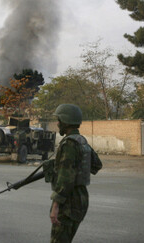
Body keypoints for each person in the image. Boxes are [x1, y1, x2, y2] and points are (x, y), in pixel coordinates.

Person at [48, 104, 102, 243]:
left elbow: (65, 180)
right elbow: (96, 165)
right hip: (81, 199)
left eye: (59, 120)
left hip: (69, 203)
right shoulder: (81, 141)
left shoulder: (69, 144)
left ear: (65, 122)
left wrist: (55, 206)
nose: (57, 123)